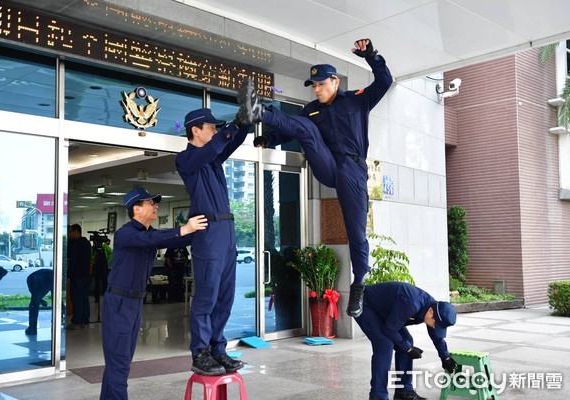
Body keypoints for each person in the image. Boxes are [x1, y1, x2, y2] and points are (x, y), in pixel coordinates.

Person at [236, 38, 393, 318]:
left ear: (334, 81)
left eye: (321, 84)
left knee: (356, 232)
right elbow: (292, 129)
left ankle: (358, 285)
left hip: (353, 170)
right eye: (314, 86)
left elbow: (384, 81)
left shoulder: (358, 100)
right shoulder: (312, 110)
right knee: (306, 126)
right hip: (326, 165)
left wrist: (371, 56)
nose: (317, 90)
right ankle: (259, 113)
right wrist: (268, 138)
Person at [99, 187, 207, 400]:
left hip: (134, 303)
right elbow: (153, 240)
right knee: (119, 363)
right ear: (136, 209)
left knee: (119, 363)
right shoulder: (126, 234)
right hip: (119, 302)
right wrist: (184, 229)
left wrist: (201, 228)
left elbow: (174, 239)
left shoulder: (150, 234)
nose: (156, 205)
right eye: (151, 203)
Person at [176, 108, 251, 376]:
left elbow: (231, 141)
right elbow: (215, 146)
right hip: (208, 233)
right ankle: (200, 353)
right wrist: (233, 126)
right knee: (206, 297)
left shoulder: (213, 159)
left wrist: (244, 123)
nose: (216, 132)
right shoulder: (186, 159)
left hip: (227, 232)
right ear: (195, 130)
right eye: (212, 127)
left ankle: (218, 349)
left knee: (225, 297)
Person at [354, 282, 458, 400]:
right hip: (365, 304)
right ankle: (378, 396)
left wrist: (445, 357)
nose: (435, 327)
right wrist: (408, 348)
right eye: (436, 324)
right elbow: (389, 329)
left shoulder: (433, 309)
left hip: (385, 312)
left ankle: (404, 393)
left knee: (407, 340)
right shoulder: (412, 304)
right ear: (430, 312)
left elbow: (435, 334)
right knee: (385, 344)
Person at [67, 224, 92, 330]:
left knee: (77, 298)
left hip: (77, 275)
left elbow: (73, 261)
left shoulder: (76, 244)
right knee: (84, 298)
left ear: (76, 231)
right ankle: (85, 320)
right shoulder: (87, 243)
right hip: (86, 275)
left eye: (70, 232)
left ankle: (77, 321)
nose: (69, 235)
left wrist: (68, 275)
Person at [25, 268, 54, 335]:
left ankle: (32, 328)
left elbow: (35, 294)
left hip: (42, 277)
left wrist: (40, 300)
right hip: (49, 276)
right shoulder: (31, 280)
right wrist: (41, 300)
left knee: (33, 304)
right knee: (57, 300)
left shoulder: (31, 280)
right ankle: (57, 322)